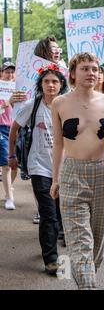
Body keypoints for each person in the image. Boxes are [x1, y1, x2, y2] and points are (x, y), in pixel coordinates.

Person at [50, 52, 104, 290]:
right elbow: (58, 143)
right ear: (73, 73)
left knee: (96, 239)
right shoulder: (60, 103)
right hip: (72, 173)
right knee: (79, 238)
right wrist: (56, 179)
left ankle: (86, 274)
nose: (91, 73)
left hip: (102, 174)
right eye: (85, 68)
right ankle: (87, 285)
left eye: (95, 69)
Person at [8, 64, 69, 274]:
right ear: (41, 84)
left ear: (62, 85)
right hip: (39, 166)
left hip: (65, 167)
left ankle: (53, 239)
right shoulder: (32, 106)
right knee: (48, 213)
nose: (51, 85)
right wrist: (11, 155)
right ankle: (51, 259)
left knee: (61, 211)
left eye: (55, 81)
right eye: (46, 81)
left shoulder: (68, 106)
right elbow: (14, 128)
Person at [0, 62, 17, 210]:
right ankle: (9, 197)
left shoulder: (18, 89)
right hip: (2, 128)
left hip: (17, 128)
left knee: (15, 165)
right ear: (1, 73)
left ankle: (9, 188)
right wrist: (4, 105)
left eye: (12, 72)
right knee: (6, 163)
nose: (10, 75)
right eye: (7, 72)